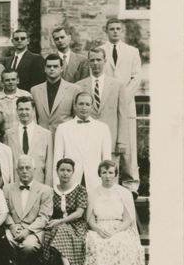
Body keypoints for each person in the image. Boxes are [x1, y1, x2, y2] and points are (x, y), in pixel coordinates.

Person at [83, 159, 147, 265]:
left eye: (111, 172)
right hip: (99, 227)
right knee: (95, 241)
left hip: (120, 227)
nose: (107, 176)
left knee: (119, 242)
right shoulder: (93, 193)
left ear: (115, 174)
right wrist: (98, 229)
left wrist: (116, 231)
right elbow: (90, 220)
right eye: (104, 172)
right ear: (99, 174)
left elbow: (128, 220)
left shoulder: (124, 193)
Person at [100, 18, 142, 192]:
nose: (115, 31)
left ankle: (131, 186)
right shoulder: (100, 50)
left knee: (128, 147)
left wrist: (122, 97)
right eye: (112, 29)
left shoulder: (132, 51)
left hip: (127, 105)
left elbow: (136, 77)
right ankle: (111, 186)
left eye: (118, 28)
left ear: (122, 30)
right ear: (106, 30)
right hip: (107, 107)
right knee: (110, 147)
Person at [77, 48, 131, 179]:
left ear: (105, 61)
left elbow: (123, 115)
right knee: (90, 178)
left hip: (111, 141)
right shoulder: (79, 86)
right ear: (88, 62)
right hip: (87, 140)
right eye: (92, 60)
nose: (96, 63)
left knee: (110, 178)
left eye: (99, 60)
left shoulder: (118, 85)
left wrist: (121, 141)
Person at [3, 155, 55, 265]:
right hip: (13, 227)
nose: (24, 171)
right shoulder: (7, 189)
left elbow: (44, 217)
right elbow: (4, 211)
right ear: (17, 170)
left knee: (28, 246)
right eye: (21, 168)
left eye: (28, 168)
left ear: (34, 169)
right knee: (8, 241)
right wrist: (12, 226)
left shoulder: (46, 190)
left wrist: (27, 231)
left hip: (33, 230)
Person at [45, 157, 89, 265]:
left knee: (61, 230)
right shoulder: (51, 190)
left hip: (76, 225)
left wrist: (60, 221)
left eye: (68, 170)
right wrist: (53, 221)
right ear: (57, 171)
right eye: (62, 170)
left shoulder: (80, 189)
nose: (65, 173)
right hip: (56, 223)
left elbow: (79, 213)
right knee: (53, 232)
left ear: (73, 172)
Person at [53, 92, 112, 190]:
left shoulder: (103, 128)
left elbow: (107, 160)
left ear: (92, 107)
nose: (84, 108)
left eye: (87, 104)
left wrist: (106, 183)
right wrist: (57, 184)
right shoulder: (63, 128)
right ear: (75, 106)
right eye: (81, 104)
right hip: (71, 179)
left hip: (95, 179)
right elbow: (57, 158)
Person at [6, 96, 52, 185]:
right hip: (16, 183)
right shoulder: (8, 134)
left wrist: (48, 187)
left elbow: (49, 165)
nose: (24, 112)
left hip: (39, 183)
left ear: (33, 110)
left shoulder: (46, 134)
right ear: (16, 111)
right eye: (21, 109)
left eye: (27, 109)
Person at [31, 54, 82, 134]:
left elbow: (77, 117)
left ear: (61, 68)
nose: (52, 69)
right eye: (49, 66)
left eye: (55, 66)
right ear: (44, 69)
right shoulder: (35, 90)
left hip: (65, 135)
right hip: (42, 136)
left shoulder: (74, 89)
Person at [0, 69, 31, 134]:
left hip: (23, 135)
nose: (10, 82)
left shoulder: (26, 95)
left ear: (18, 80)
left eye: (13, 79)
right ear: (2, 82)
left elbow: (32, 119)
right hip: (5, 137)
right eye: (7, 80)